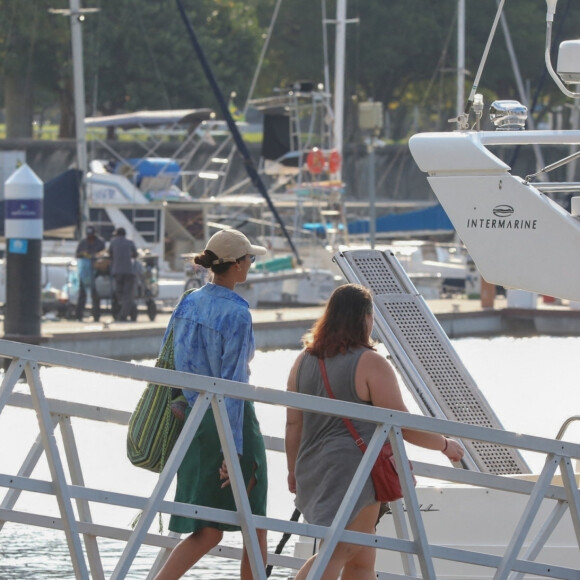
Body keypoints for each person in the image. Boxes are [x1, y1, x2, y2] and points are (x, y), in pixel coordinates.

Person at [285, 284, 464, 580]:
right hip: (355, 472)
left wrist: (293, 470)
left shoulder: (303, 361)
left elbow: (294, 424)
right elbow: (402, 424)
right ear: (365, 318)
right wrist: (444, 445)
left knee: (361, 561)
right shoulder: (371, 363)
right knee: (341, 551)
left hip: (312, 469)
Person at [153, 229, 269, 580]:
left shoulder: (188, 301)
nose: (252, 264)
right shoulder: (236, 314)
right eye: (250, 258)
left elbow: (168, 359)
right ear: (235, 266)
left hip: (193, 416)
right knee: (254, 520)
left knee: (211, 526)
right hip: (230, 421)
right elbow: (234, 383)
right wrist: (232, 451)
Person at [75, 225, 106, 321]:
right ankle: (79, 316)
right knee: (82, 294)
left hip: (96, 271)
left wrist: (95, 256)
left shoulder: (100, 242)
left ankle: (96, 316)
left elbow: (103, 254)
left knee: (95, 295)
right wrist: (84, 254)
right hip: (84, 272)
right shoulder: (83, 242)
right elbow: (77, 254)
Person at [108, 227, 138, 321]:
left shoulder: (113, 242)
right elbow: (135, 255)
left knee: (119, 293)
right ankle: (123, 314)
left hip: (117, 272)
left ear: (117, 234)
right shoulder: (130, 242)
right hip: (129, 272)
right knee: (127, 295)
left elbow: (110, 254)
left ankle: (123, 312)